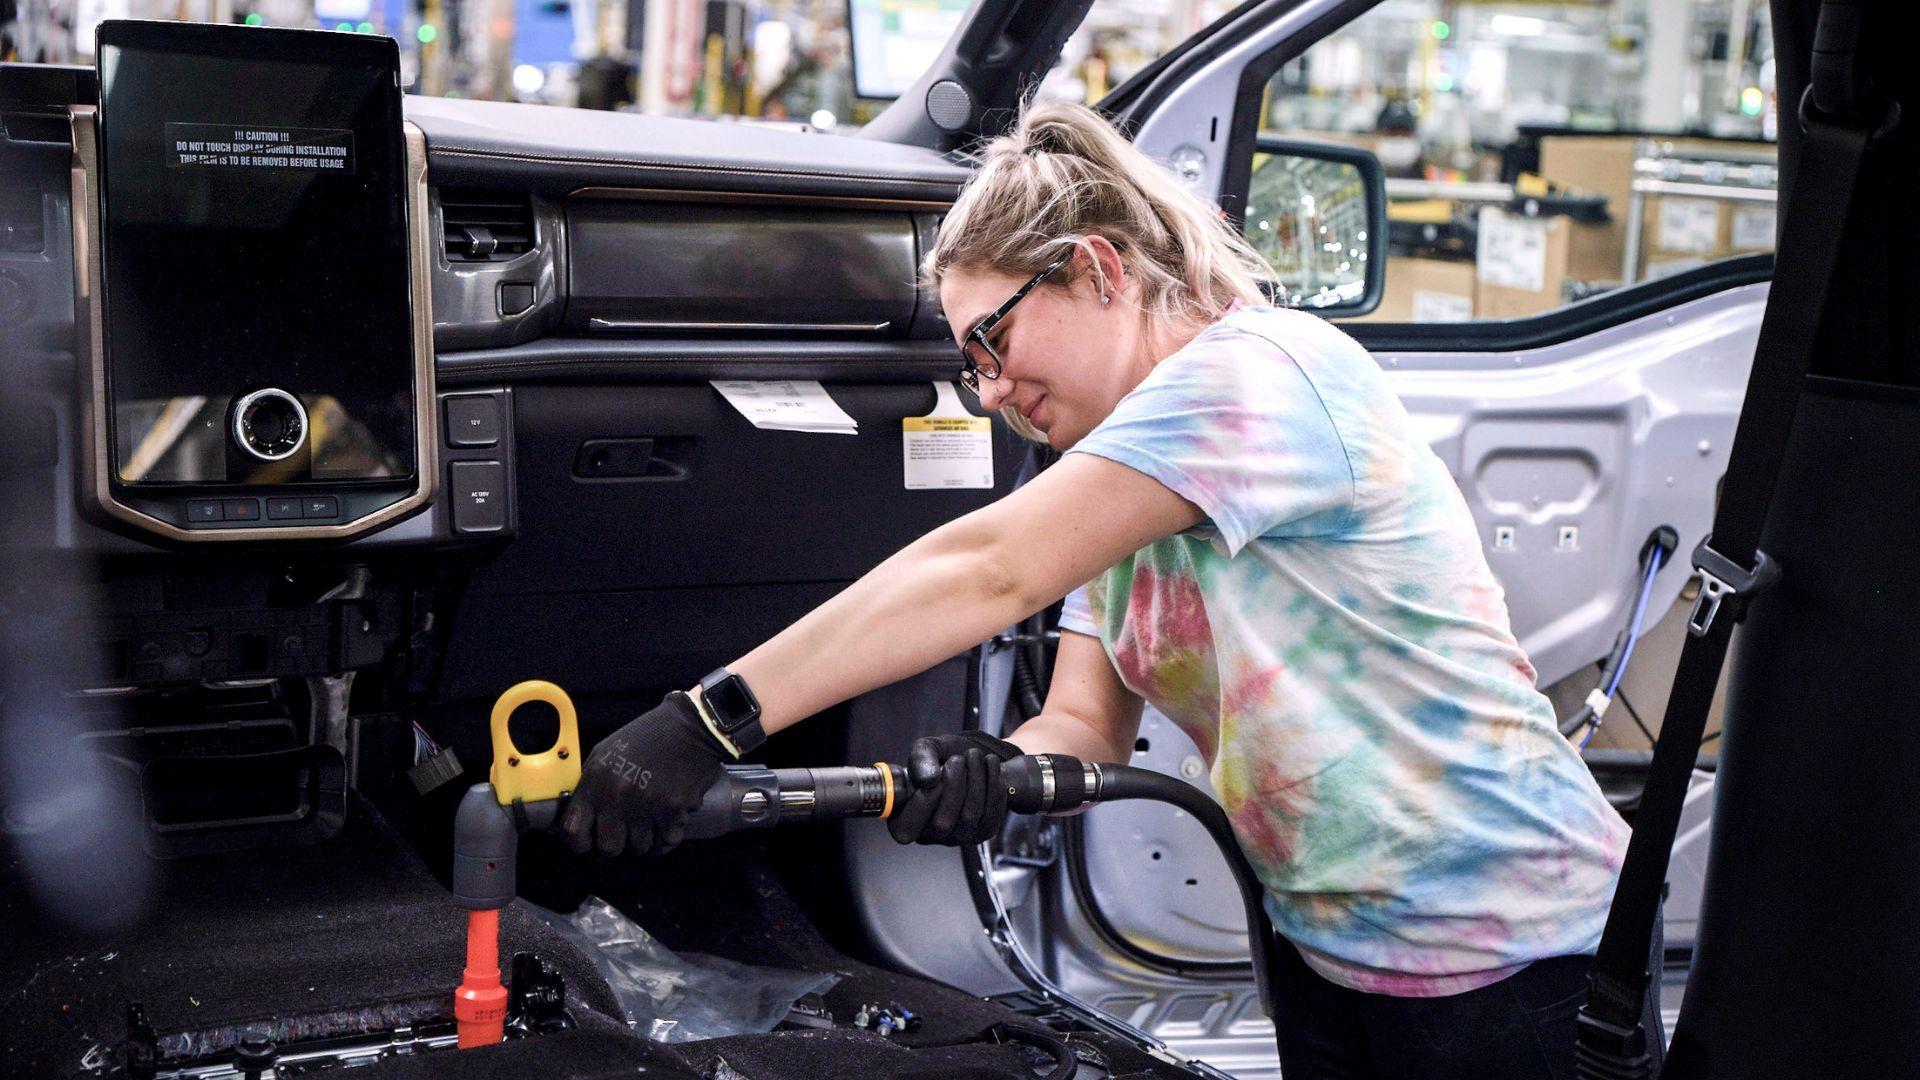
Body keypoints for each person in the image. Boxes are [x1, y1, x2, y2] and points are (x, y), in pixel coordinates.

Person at [560, 101, 1650, 1079]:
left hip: (1516, 947)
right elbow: (1087, 722)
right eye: (970, 368)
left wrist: (713, 716)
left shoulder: (1257, 376)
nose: (991, 392)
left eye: (994, 340)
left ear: (1098, 270)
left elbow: (988, 567)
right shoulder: (1125, 479)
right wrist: (1003, 771)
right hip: (1327, 947)